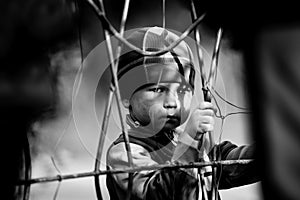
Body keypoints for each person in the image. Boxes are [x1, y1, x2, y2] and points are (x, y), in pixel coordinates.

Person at [106, 26, 259, 200]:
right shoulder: (124, 153)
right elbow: (159, 193)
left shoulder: (181, 139)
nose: (172, 102)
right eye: (157, 89)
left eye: (181, 91)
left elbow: (231, 164)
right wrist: (189, 141)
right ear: (126, 96)